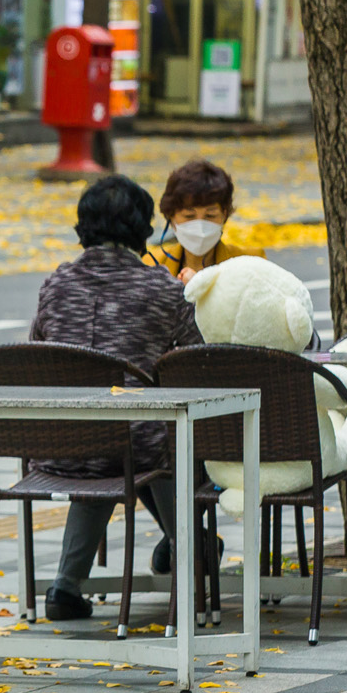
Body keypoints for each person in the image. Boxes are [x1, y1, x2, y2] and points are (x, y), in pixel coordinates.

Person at [28, 175, 203, 620]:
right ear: (143, 230)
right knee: (157, 437)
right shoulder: (163, 291)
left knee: (104, 433)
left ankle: (65, 587)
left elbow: (37, 351)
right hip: (137, 444)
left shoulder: (55, 286)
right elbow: (195, 360)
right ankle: (191, 549)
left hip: (61, 445)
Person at [146, 158, 265, 283]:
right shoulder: (150, 265)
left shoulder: (252, 264)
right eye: (189, 216)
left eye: (210, 215)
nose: (200, 226)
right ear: (171, 216)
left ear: (224, 215)